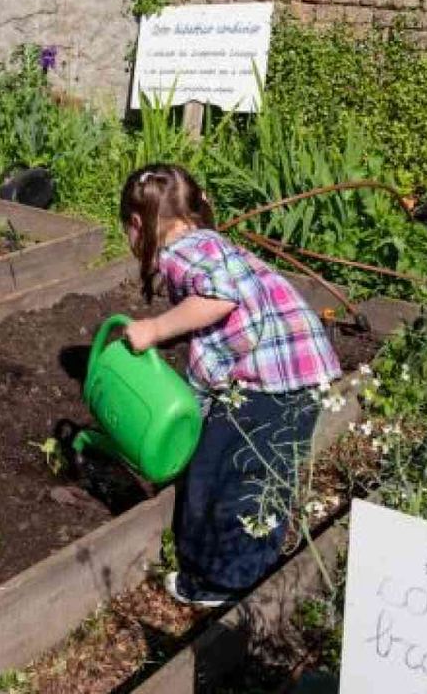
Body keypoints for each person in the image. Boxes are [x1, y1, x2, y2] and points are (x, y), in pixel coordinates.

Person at [118, 164, 340, 607]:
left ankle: (217, 585)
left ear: (137, 225)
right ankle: (253, 572)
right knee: (265, 479)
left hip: (268, 381)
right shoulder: (211, 242)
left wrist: (155, 330)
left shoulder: (176, 254)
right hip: (303, 369)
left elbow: (220, 298)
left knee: (219, 473)